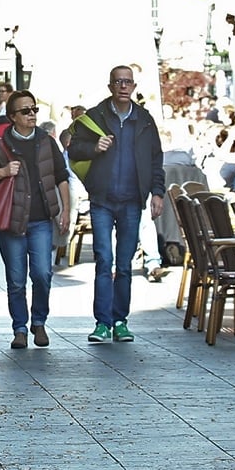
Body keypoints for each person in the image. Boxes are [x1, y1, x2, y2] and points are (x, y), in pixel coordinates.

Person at [67, 64, 165, 343]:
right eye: (118, 81)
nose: (123, 86)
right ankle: (102, 323)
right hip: (102, 199)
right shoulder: (96, 117)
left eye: (128, 82)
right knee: (103, 260)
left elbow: (156, 159)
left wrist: (157, 192)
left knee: (123, 264)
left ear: (134, 86)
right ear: (110, 86)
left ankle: (120, 321)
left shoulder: (144, 120)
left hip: (132, 200)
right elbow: (73, 149)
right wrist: (93, 148)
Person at [0, 90, 69, 349]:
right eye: (26, 111)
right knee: (16, 279)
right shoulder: (0, 145)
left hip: (41, 220)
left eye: (34, 109)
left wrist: (65, 211)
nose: (32, 114)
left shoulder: (47, 142)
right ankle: (20, 328)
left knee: (43, 274)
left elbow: (61, 176)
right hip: (11, 222)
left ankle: (39, 321)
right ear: (13, 116)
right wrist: (3, 171)